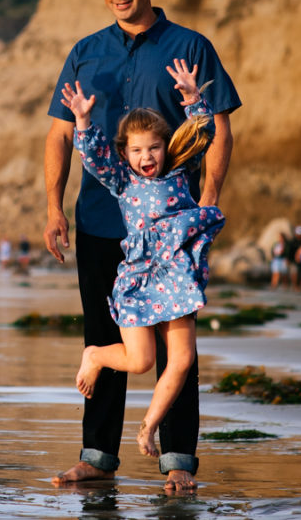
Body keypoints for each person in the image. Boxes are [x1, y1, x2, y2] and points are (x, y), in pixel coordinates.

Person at [43, 0, 241, 492]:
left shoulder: (189, 46)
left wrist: (209, 198)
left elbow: (216, 126)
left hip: (173, 228)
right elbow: (62, 133)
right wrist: (53, 205)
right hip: (104, 220)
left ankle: (178, 460)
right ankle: (97, 456)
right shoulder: (85, 52)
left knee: (181, 343)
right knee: (107, 335)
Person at [63, 59, 225, 461]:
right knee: (140, 361)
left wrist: (192, 98)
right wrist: (82, 120)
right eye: (136, 150)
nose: (146, 156)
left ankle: (149, 426)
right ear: (126, 153)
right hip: (139, 279)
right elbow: (95, 155)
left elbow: (203, 132)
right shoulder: (123, 180)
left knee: (182, 358)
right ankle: (97, 355)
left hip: (178, 276)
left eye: (154, 147)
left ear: (166, 147)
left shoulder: (180, 169)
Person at [287, 225, 301, 290]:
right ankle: (294, 286)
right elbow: (289, 251)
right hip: (293, 260)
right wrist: (288, 259)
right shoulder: (292, 241)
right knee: (294, 273)